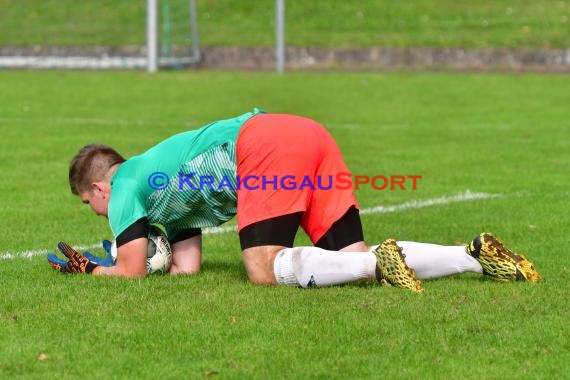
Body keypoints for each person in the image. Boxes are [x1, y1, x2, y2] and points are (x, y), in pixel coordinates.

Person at [48, 108, 541, 292]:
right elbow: (186, 269)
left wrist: (93, 269)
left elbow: (130, 269)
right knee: (351, 258)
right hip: (308, 134)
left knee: (263, 269)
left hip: (263, 143)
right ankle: (474, 259)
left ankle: (379, 266)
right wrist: (159, 263)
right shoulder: (165, 195)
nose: (100, 213)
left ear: (98, 189)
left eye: (89, 203)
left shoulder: (126, 183)